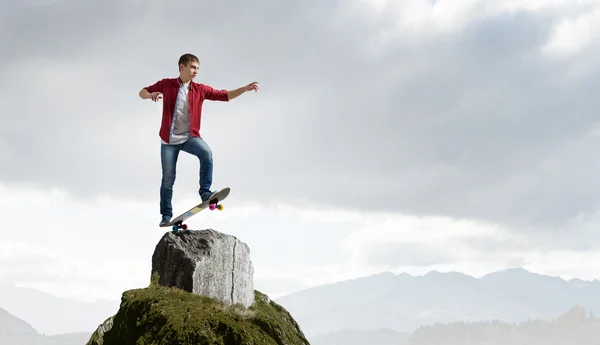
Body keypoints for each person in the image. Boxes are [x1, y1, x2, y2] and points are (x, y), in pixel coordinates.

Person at [139, 53, 259, 226]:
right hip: (168, 142)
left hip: (189, 137)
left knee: (206, 153)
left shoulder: (200, 89)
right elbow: (142, 92)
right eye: (193, 67)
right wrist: (150, 95)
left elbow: (223, 95)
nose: (195, 71)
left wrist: (243, 89)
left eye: (197, 68)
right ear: (182, 67)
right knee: (168, 178)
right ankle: (166, 216)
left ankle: (205, 192)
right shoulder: (166, 84)